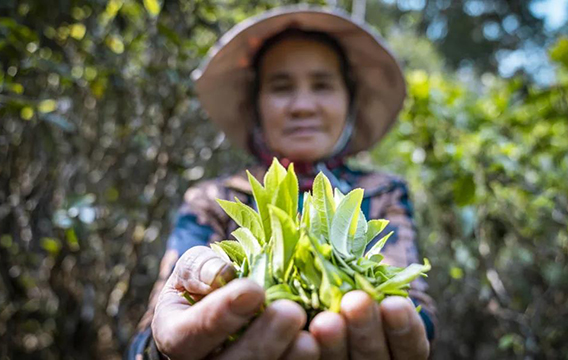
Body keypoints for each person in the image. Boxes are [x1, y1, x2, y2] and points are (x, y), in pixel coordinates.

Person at [127, 5, 436, 359]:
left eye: (322, 85)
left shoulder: (383, 193)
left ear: (349, 100)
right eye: (281, 86)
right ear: (255, 104)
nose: (302, 106)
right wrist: (163, 347)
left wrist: (405, 329)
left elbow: (413, 302)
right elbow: (154, 324)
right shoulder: (214, 198)